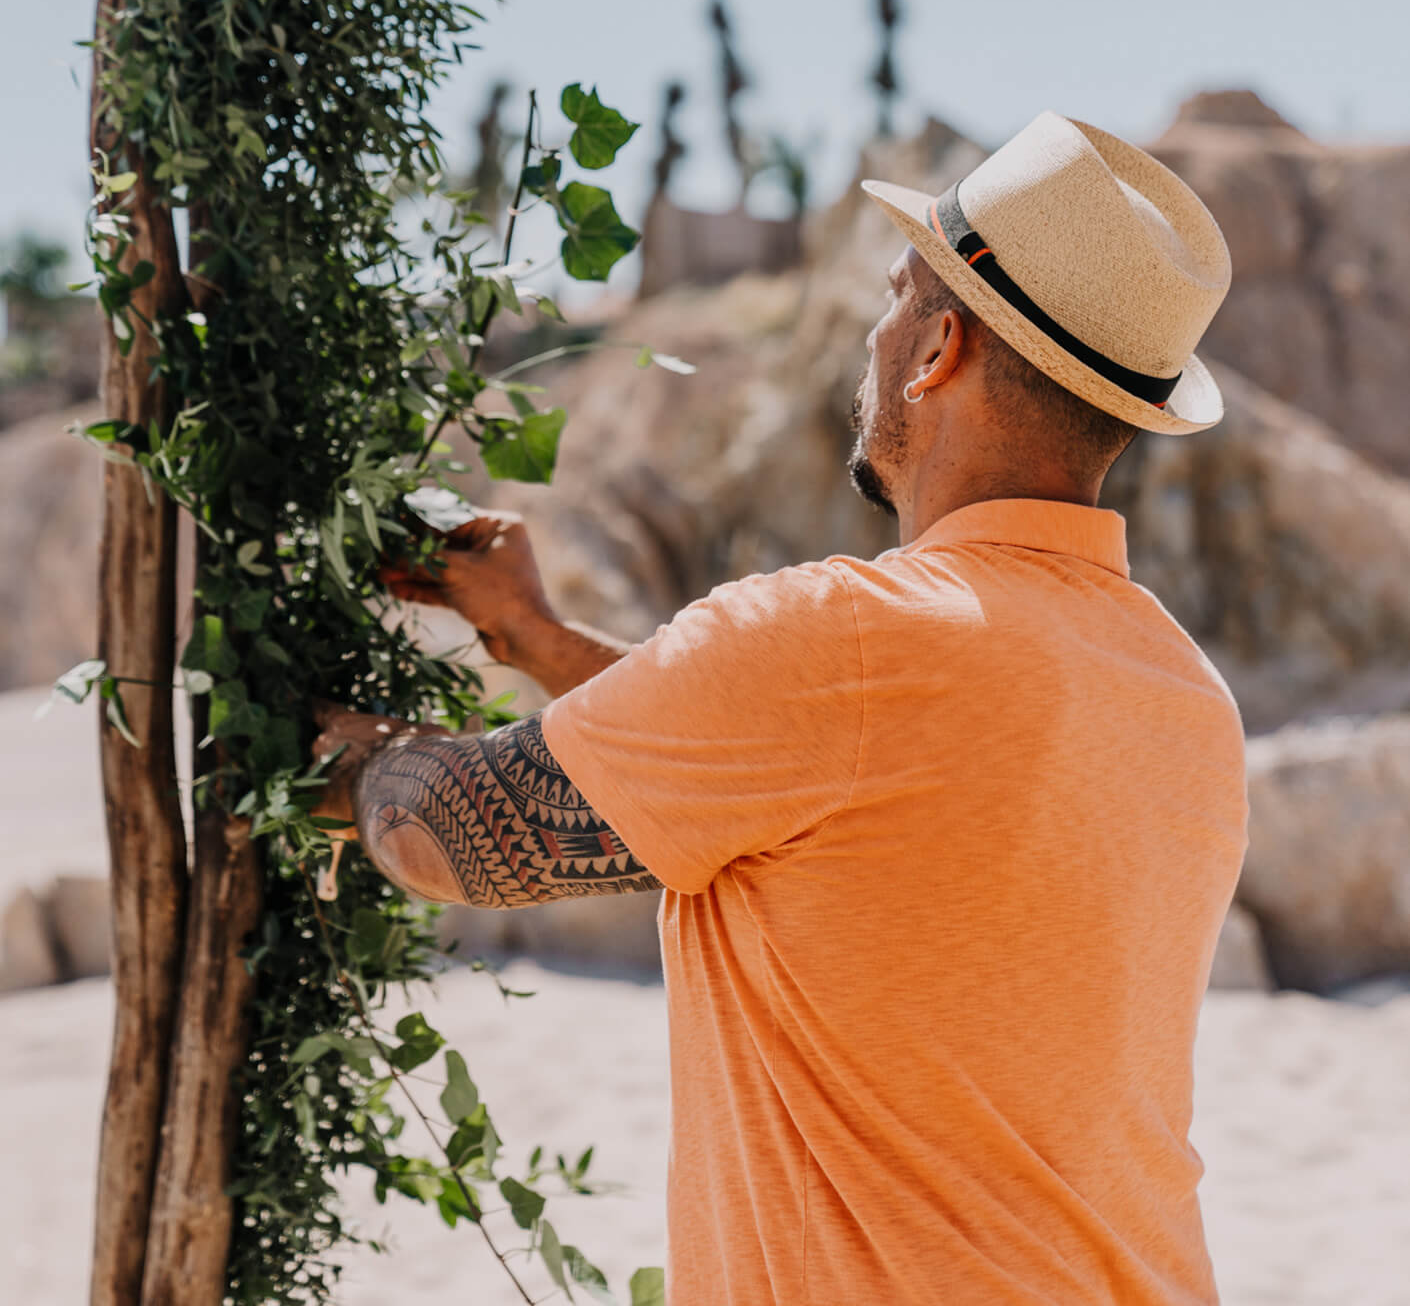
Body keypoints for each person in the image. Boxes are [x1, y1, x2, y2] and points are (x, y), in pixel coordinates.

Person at [315, 111, 1248, 1306]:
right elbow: (824, 809)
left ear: (936, 349)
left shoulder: (844, 640)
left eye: (896, 294)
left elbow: (459, 835)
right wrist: (535, 640)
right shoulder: (1178, 686)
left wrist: (338, 755)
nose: (873, 331)